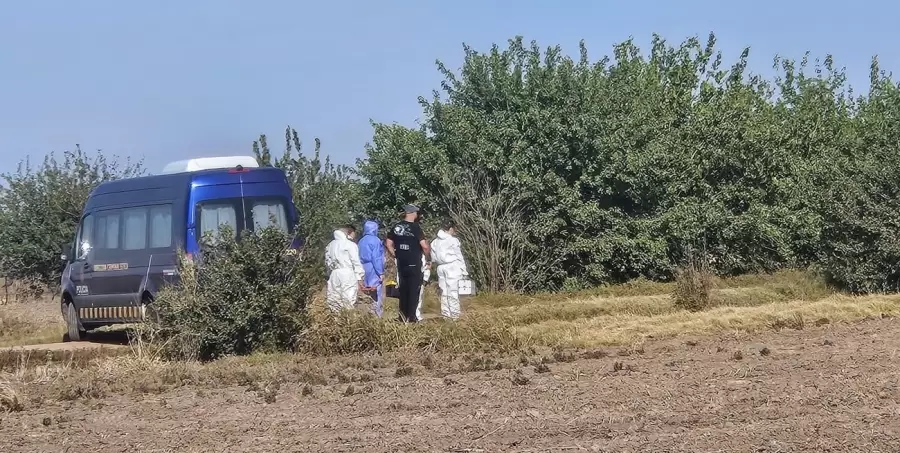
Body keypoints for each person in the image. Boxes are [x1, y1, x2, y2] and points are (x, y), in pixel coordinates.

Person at [386, 204, 430, 322]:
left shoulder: (396, 227)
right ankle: (411, 317)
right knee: (414, 290)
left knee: (403, 290)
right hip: (414, 263)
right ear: (412, 213)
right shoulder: (415, 227)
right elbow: (424, 246)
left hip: (401, 264)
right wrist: (428, 258)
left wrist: (396, 255)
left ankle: (402, 316)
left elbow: (388, 243)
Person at [430, 219, 468, 320]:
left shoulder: (435, 241)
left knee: (444, 291)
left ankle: (446, 314)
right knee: (453, 291)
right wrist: (464, 270)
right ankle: (455, 315)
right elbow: (459, 256)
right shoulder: (452, 240)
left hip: (440, 267)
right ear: (451, 228)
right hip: (452, 266)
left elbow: (433, 257)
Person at [324, 224, 365, 312]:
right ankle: (349, 321)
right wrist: (359, 277)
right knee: (348, 298)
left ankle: (337, 321)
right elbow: (356, 262)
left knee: (334, 298)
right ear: (349, 232)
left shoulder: (330, 245)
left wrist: (329, 273)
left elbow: (327, 262)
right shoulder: (350, 245)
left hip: (334, 274)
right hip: (348, 273)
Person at [357, 220, 386, 317]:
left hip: (363, 266)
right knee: (376, 291)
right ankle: (377, 314)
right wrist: (380, 272)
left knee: (366, 290)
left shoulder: (361, 241)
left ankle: (367, 313)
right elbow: (376, 258)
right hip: (373, 268)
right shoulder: (375, 240)